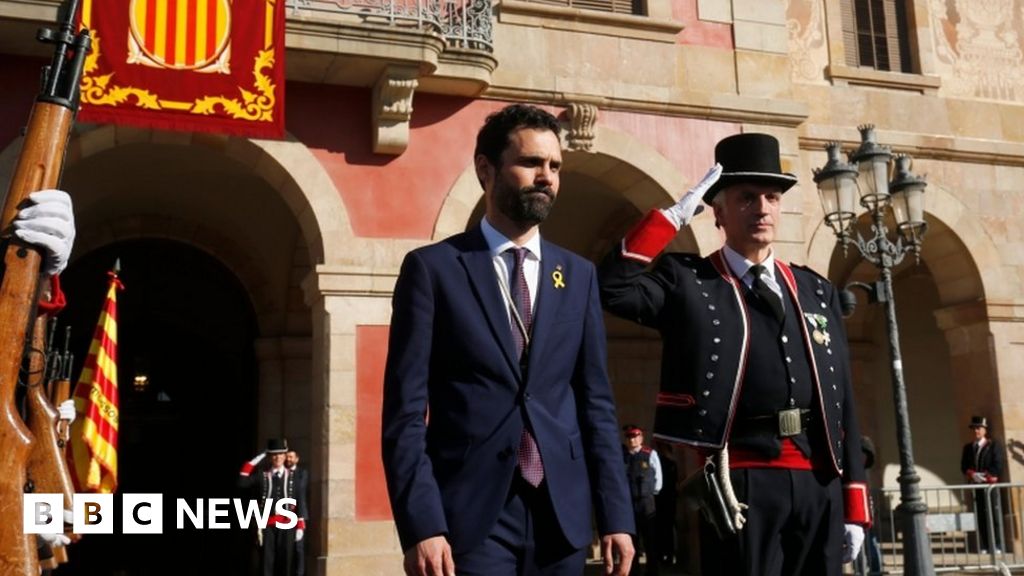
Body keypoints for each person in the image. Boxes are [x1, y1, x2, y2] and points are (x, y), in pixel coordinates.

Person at [599, 133, 871, 576]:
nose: (762, 208)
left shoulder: (815, 290)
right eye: (747, 197)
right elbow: (610, 287)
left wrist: (855, 502)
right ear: (718, 211)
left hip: (817, 478)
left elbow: (845, 403)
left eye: (771, 197)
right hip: (738, 480)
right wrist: (671, 218)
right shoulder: (690, 281)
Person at [381, 104, 635, 576]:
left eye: (555, 166)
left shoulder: (577, 275)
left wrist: (617, 515)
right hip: (468, 518)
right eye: (531, 163)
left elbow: (596, 404)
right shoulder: (433, 270)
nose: (546, 177)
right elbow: (405, 413)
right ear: (486, 168)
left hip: (562, 515)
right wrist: (422, 524)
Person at [239, 439, 307, 576]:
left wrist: (300, 525)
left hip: (288, 524)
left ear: (285, 455)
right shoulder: (262, 476)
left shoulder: (294, 476)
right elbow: (242, 481)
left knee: (286, 562)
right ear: (270, 457)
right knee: (267, 562)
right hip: (267, 525)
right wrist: (257, 458)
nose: (278, 457)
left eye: (281, 454)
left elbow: (299, 500)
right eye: (274, 455)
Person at [961, 415, 1006, 553]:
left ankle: (997, 545)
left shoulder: (993, 446)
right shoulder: (968, 447)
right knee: (980, 515)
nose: (976, 431)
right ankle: (986, 545)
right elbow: (964, 466)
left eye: (979, 428)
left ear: (985, 430)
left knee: (994, 514)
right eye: (974, 428)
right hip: (976, 485)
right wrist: (972, 474)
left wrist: (986, 476)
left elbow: (997, 465)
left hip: (990, 486)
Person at [622, 425, 661, 576]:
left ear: (641, 437)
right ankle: (634, 571)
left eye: (635, 436)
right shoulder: (622, 455)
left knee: (650, 538)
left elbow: (658, 478)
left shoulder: (649, 454)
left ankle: (652, 571)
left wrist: (652, 492)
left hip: (646, 503)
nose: (632, 440)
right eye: (629, 437)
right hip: (629, 503)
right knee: (632, 539)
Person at [652, 439, 679, 568]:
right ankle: (666, 555)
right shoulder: (669, 463)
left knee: (663, 527)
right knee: (665, 527)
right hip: (666, 499)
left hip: (663, 498)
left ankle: (663, 554)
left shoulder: (667, 463)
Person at [285, 450, 309, 576]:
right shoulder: (282, 473)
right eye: (287, 457)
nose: (289, 459)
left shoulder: (302, 473)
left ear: (297, 459)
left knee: (299, 548)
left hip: (298, 515)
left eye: (291, 457)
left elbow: (300, 489)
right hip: (284, 516)